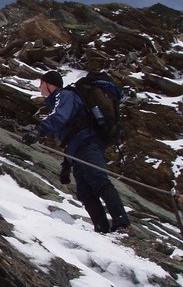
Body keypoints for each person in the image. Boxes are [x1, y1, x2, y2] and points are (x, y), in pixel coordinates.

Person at [23, 70, 130, 233]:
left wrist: (39, 130)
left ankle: (121, 222)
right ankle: (102, 229)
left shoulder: (63, 95)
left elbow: (60, 117)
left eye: (41, 84)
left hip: (87, 142)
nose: (39, 88)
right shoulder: (60, 99)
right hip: (80, 147)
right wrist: (67, 164)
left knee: (98, 179)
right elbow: (70, 134)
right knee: (85, 192)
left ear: (49, 85)